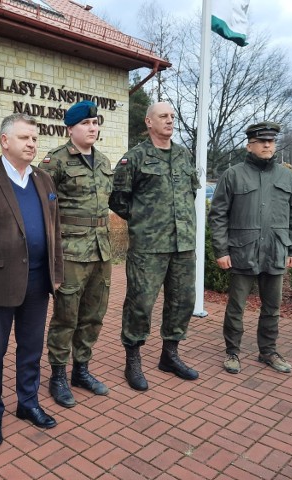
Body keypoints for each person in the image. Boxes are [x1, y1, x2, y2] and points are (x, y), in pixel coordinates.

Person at [0, 113, 63, 449]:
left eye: (34, 138)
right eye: (24, 138)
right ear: (5, 141)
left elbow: (54, 231)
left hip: (37, 282)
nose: (31, 143)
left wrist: (56, 273)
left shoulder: (43, 180)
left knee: (31, 349)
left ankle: (28, 403)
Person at [109, 101, 200, 392]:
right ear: (149, 122)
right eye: (163, 116)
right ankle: (133, 360)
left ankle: (170, 355)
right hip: (149, 245)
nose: (170, 121)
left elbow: (190, 194)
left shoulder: (184, 155)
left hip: (183, 244)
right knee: (140, 303)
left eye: (172, 116)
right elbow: (118, 199)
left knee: (183, 301)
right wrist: (144, 221)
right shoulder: (134, 158)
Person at [208, 121, 292, 374]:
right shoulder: (233, 175)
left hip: (275, 251)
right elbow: (218, 215)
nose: (267, 145)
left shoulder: (286, 176)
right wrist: (221, 250)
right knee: (236, 307)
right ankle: (232, 352)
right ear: (249, 145)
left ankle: (268, 351)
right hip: (242, 251)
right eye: (261, 141)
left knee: (272, 308)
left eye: (271, 141)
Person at [39, 100, 113, 408]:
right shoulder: (54, 161)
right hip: (70, 251)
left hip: (101, 250)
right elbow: (43, 208)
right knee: (66, 316)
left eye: (95, 123)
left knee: (93, 315)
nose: (92, 128)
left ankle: (81, 370)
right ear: (70, 129)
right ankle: (57, 375)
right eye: (85, 124)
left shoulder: (105, 161)